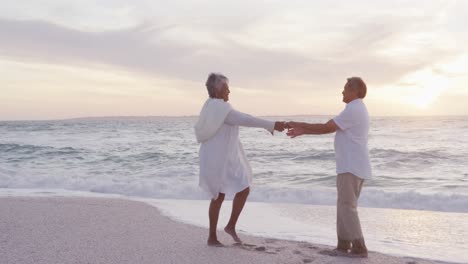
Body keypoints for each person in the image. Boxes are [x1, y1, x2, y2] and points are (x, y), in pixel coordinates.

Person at [194, 73, 285, 246]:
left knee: (233, 191)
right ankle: (216, 234)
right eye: (226, 88)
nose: (229, 91)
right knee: (222, 194)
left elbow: (241, 118)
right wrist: (271, 125)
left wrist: (270, 125)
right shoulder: (221, 109)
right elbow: (245, 119)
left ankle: (224, 229)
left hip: (219, 156)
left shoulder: (210, 106)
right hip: (219, 158)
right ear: (217, 90)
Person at [286, 77, 371, 258]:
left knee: (347, 206)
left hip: (352, 166)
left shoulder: (354, 109)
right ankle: (342, 246)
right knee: (343, 205)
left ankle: (359, 248)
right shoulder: (355, 108)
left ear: (354, 91)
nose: (342, 92)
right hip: (351, 165)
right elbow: (329, 128)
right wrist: (304, 131)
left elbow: (326, 128)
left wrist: (300, 124)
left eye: (345, 89)